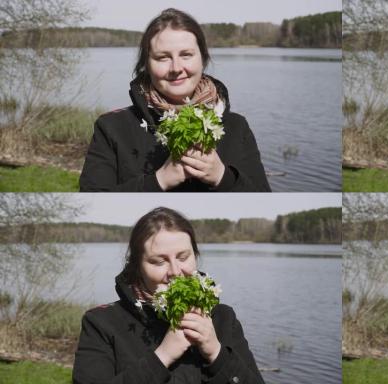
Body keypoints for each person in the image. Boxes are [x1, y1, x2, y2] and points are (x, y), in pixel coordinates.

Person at [80, 8, 270, 192]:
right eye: (163, 57)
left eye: (186, 55)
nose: (176, 68)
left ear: (202, 58)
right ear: (146, 64)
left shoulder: (237, 127)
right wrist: (159, 180)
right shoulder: (112, 128)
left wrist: (222, 176)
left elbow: (262, 197)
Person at [73, 207, 265, 384]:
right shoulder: (102, 323)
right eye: (158, 262)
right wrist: (162, 357)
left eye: (183, 257)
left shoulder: (223, 318)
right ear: (137, 267)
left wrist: (216, 353)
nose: (175, 271)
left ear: (195, 256)